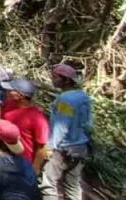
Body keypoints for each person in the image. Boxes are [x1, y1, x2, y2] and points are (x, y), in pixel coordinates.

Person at [42, 63, 92, 200]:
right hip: (80, 147)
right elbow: (88, 124)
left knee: (49, 183)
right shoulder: (83, 97)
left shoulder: (66, 100)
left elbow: (62, 125)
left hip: (64, 148)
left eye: (56, 77)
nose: (53, 79)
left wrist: (50, 146)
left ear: (67, 80)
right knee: (73, 185)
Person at [0, 79, 50, 171]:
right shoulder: (9, 104)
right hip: (2, 153)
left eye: (11, 90)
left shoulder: (38, 119)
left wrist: (34, 171)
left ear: (20, 95)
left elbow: (42, 149)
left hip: (21, 163)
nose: (7, 91)